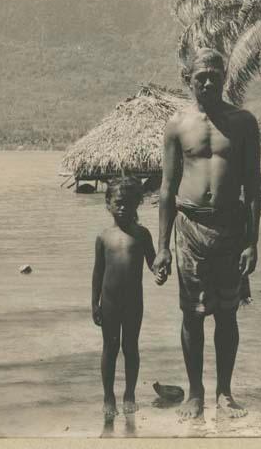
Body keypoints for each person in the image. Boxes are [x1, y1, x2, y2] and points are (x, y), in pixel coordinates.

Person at [152, 47, 261, 420]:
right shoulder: (177, 125)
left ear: (225, 76)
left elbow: (253, 187)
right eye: (202, 76)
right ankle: (195, 394)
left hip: (231, 229)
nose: (209, 81)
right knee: (193, 315)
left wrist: (252, 241)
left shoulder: (244, 122)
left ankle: (224, 394)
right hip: (190, 228)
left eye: (216, 74)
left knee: (227, 315)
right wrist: (163, 247)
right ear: (189, 78)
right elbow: (167, 188)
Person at [92, 176, 165, 418]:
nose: (122, 207)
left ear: (137, 205)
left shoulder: (142, 235)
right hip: (109, 301)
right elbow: (97, 272)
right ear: (108, 204)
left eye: (128, 203)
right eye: (118, 203)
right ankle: (108, 396)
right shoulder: (103, 237)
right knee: (110, 348)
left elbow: (153, 262)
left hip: (134, 302)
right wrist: (94, 303)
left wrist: (160, 271)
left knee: (130, 347)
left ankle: (129, 394)